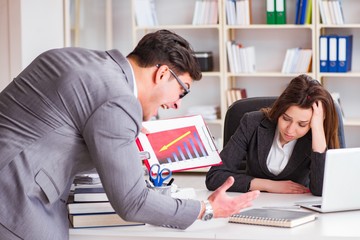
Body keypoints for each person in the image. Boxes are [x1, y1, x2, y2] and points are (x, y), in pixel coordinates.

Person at [0, 29, 259, 240]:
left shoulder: (75, 59)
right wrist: (207, 209)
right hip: (14, 205)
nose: (177, 104)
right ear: (161, 74)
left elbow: (55, 130)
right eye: (183, 91)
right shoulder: (119, 101)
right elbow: (132, 203)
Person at [206, 74, 340, 197]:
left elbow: (322, 190)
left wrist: (317, 127)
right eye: (286, 119)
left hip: (298, 206)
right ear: (279, 110)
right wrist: (269, 185)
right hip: (254, 202)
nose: (290, 130)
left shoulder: (317, 136)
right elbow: (214, 177)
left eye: (302, 124)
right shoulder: (252, 123)